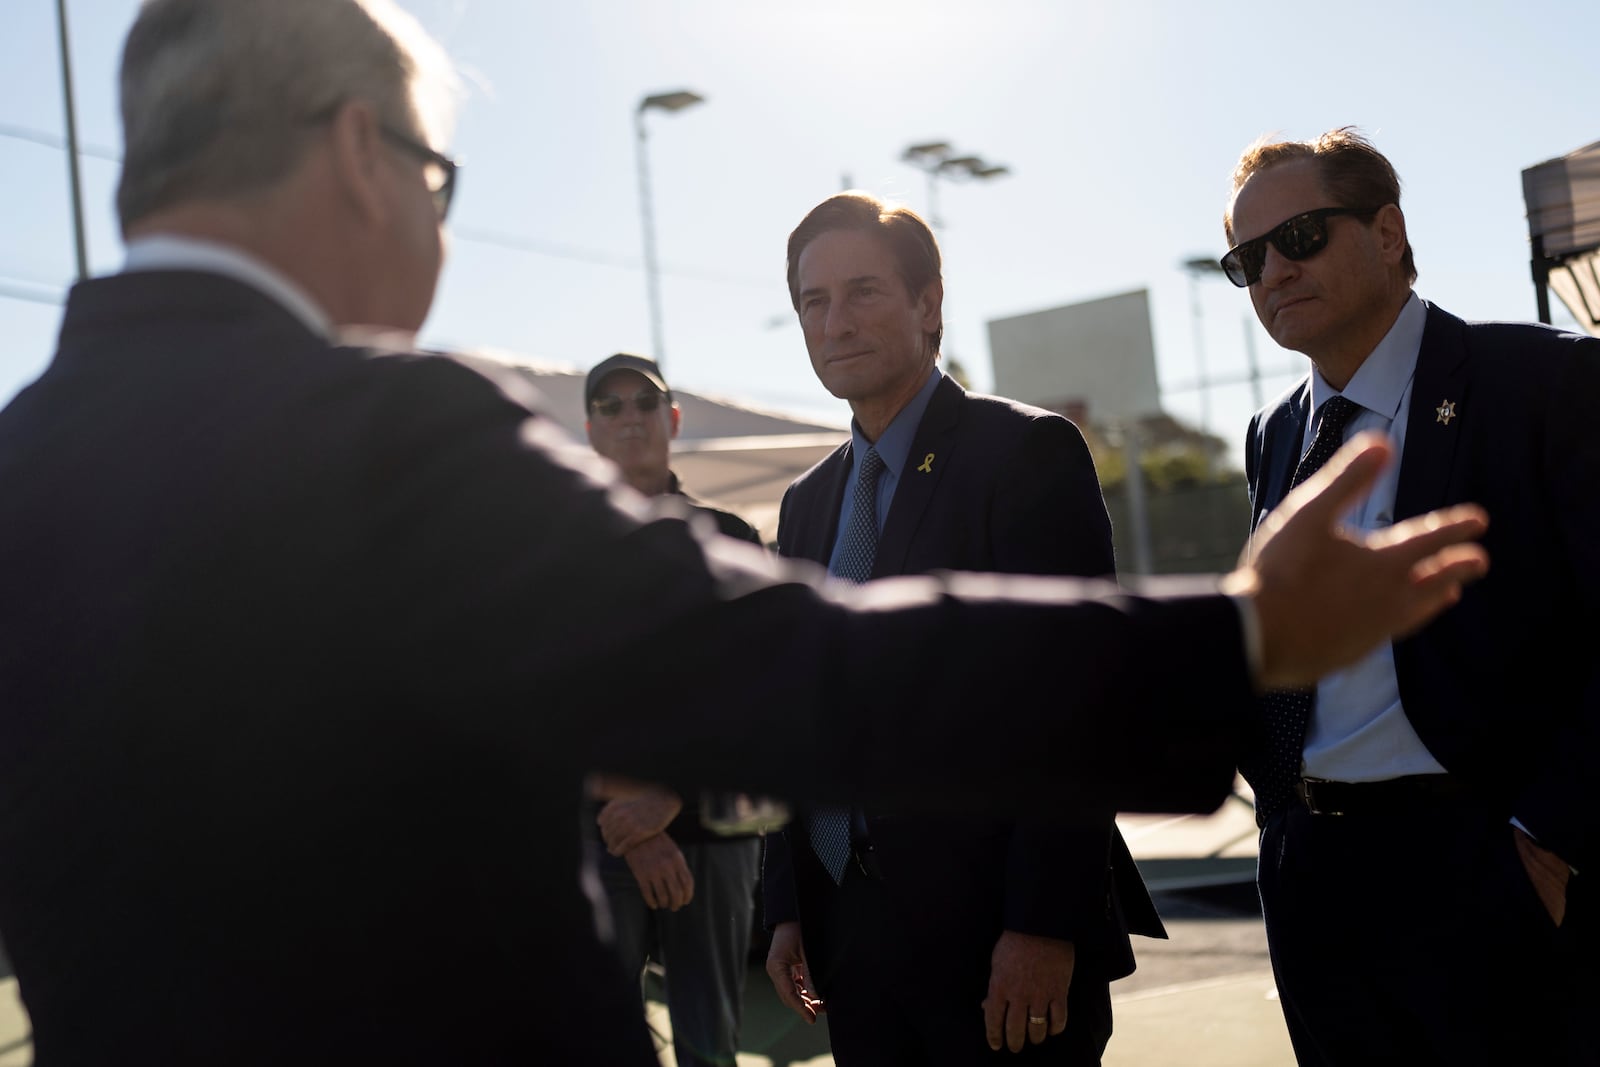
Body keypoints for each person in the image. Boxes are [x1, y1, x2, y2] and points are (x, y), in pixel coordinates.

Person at [0, 1, 1490, 1060]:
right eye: (438, 181)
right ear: (352, 152)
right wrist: (1238, 632)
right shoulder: (385, 433)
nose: (438, 233)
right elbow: (801, 666)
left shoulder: (23, 464)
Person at [1220, 125, 1597, 1064]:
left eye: (1300, 237)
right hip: (1313, 878)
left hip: (1487, 864)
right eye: (1246, 257)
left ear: (1388, 232)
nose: (1273, 270)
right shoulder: (1274, 434)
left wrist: (1546, 841)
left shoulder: (1545, 382)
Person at [761, 191, 1156, 1065]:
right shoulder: (807, 504)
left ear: (929, 301)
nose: (835, 321)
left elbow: (1078, 707)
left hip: (996, 940)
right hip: (850, 937)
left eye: (862, 290)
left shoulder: (1025, 454)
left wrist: (1043, 925)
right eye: (812, 302)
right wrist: (786, 899)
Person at [581, 351, 765, 1067]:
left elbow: (761, 692)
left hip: (715, 836)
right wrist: (636, 818)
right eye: (610, 405)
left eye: (644, 401)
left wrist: (669, 798)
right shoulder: (556, 550)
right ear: (591, 430)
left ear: (673, 418)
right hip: (601, 835)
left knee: (708, 1045)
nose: (629, 417)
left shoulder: (733, 542)